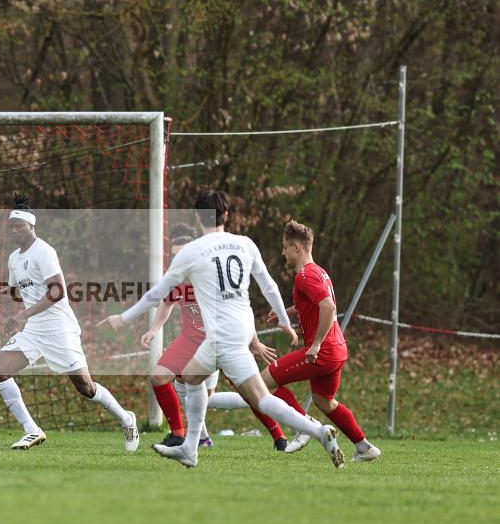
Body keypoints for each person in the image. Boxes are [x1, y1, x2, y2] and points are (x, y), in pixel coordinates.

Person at [100, 188, 344, 469]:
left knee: (242, 394)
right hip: (241, 329)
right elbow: (268, 285)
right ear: (226, 215)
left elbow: (158, 294)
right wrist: (285, 322)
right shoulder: (245, 244)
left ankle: (311, 431)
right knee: (196, 379)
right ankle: (193, 447)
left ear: (196, 217)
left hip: (219, 336)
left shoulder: (192, 251)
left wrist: (125, 318)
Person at [0, 194, 140, 451]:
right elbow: (14, 291)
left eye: (19, 226)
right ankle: (32, 430)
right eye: (11, 227)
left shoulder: (44, 251)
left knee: (86, 388)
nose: (14, 231)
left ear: (31, 226)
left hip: (59, 328)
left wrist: (23, 315)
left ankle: (126, 418)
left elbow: (57, 291)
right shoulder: (14, 258)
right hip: (34, 329)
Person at [142, 224, 289, 451]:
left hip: (218, 340)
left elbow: (238, 310)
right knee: (160, 378)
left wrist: (254, 342)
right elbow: (167, 303)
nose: (178, 258)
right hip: (189, 340)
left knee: (235, 393)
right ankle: (179, 434)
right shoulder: (174, 277)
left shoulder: (212, 275)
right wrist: (154, 329)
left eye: (182, 252)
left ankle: (279, 434)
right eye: (174, 254)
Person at [260, 220, 381, 462]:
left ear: (296, 247)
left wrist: (315, 345)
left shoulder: (304, 275)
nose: (283, 253)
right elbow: (314, 302)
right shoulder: (318, 271)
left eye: (285, 247)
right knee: (324, 401)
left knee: (263, 382)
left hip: (322, 351)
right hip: (337, 349)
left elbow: (328, 306)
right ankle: (365, 447)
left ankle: (303, 426)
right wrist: (287, 311)